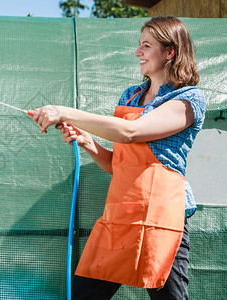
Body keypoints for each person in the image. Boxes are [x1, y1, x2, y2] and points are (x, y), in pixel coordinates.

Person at [31, 17, 205, 299]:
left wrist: (65, 112)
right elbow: (119, 165)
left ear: (170, 52)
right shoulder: (131, 96)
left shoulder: (189, 99)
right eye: (139, 45)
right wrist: (88, 143)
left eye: (146, 46)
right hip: (121, 215)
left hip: (162, 218)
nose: (138, 52)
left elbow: (131, 132)